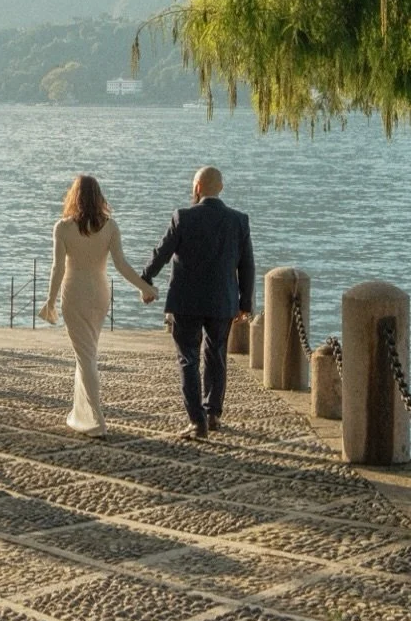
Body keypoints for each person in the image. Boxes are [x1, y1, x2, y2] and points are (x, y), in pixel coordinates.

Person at [39, 174, 158, 437]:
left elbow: (58, 268)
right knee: (87, 353)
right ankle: (80, 414)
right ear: (99, 197)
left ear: (74, 196)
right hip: (100, 294)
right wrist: (145, 287)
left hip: (74, 294)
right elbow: (121, 265)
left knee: (85, 357)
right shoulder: (111, 226)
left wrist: (49, 300)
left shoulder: (62, 227)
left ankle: (96, 422)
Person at [141, 165, 254, 440]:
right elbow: (247, 265)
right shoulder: (239, 220)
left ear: (197, 188)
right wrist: (245, 303)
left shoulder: (183, 217)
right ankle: (213, 413)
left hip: (186, 301)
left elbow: (162, 253)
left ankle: (197, 420)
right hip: (222, 301)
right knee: (216, 355)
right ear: (221, 188)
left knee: (188, 358)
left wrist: (145, 280)